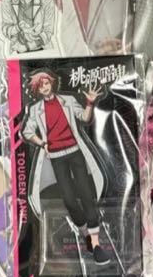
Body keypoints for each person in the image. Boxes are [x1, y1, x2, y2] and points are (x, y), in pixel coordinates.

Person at [21, 71, 110, 264]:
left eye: (47, 83)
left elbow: (84, 118)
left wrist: (90, 103)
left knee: (86, 194)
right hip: (56, 157)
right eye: (41, 85)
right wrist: (42, 143)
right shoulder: (35, 109)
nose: (45, 87)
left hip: (75, 152)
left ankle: (96, 245)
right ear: (37, 89)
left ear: (52, 83)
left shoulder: (68, 100)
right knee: (69, 199)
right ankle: (86, 234)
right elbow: (27, 132)